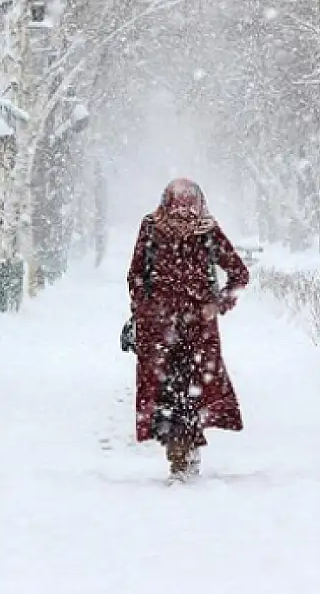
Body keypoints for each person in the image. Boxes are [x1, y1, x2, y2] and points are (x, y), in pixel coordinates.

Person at [126, 178, 250, 482]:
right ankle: (183, 453)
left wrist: (145, 307)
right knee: (185, 391)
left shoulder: (164, 227)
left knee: (172, 391)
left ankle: (180, 454)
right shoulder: (193, 228)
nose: (183, 214)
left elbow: (136, 276)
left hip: (172, 329)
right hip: (185, 329)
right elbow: (239, 274)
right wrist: (215, 304)